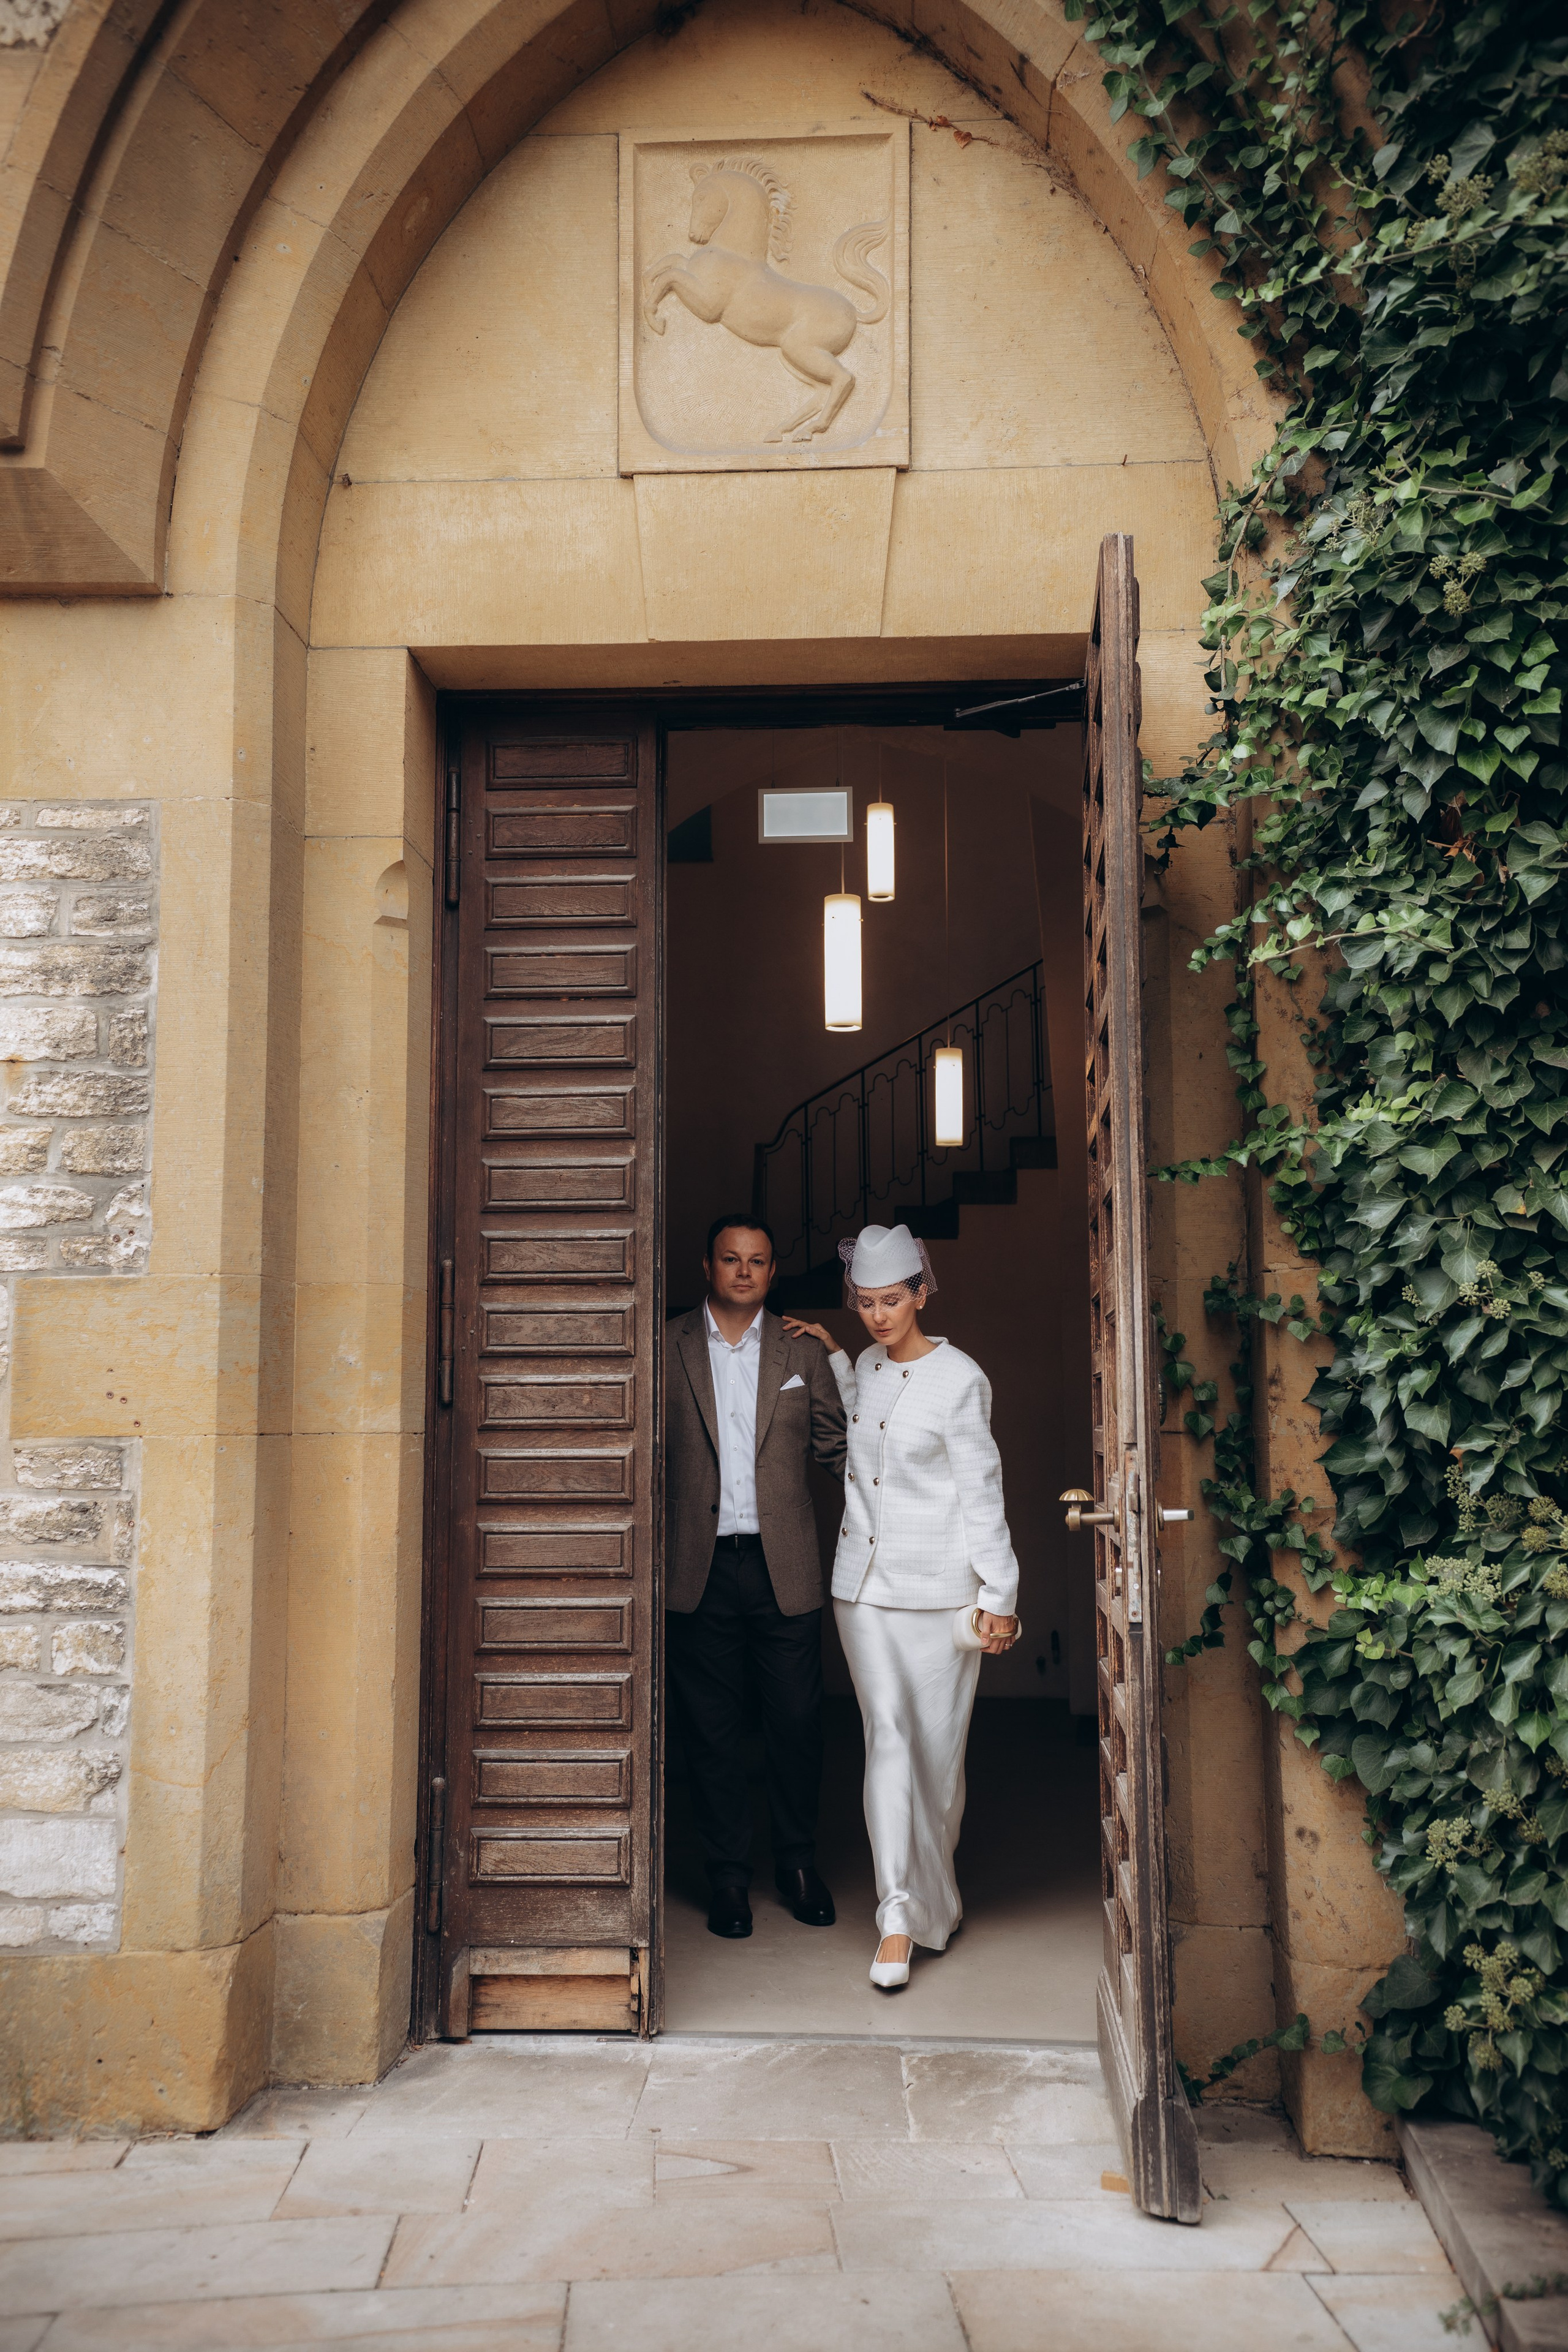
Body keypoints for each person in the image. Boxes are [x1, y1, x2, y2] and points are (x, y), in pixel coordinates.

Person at [783, 1223, 1019, 1989]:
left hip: (938, 1593)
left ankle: (934, 1900)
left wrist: (1001, 1594)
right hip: (862, 1593)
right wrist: (831, 1351)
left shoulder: (961, 1379)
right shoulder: (868, 1368)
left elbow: (982, 1494)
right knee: (884, 1738)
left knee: (936, 1765)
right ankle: (895, 1916)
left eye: (891, 1300)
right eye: (865, 1302)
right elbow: (863, 1425)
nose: (878, 1315)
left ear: (921, 1293)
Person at [666, 1213, 848, 1939]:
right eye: (731, 1259)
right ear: (707, 1267)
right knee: (711, 1735)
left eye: (759, 1261)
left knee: (797, 1726)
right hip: (697, 1568)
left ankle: (798, 1865)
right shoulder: (665, 1343)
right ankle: (729, 1879)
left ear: (773, 1273)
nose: (744, 1271)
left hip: (786, 1568)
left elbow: (842, 1444)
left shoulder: (802, 1350)